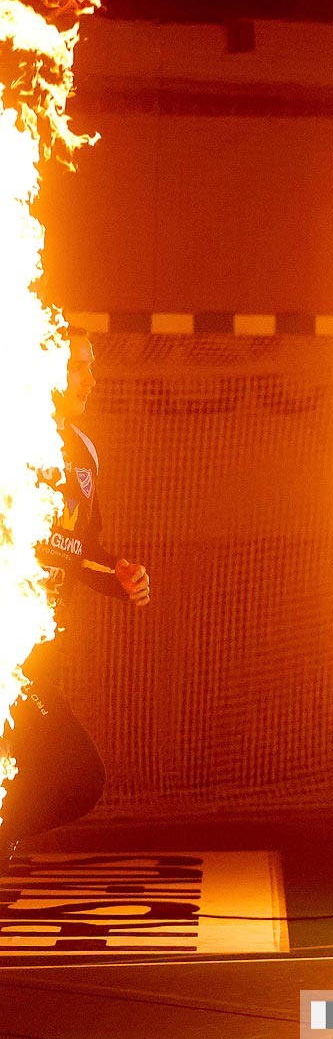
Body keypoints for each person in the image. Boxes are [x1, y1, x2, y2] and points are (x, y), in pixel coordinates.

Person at [1, 327, 150, 868]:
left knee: (67, 779)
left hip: (39, 658)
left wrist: (120, 574)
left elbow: (82, 550)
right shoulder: (9, 438)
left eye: (90, 365)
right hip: (8, 657)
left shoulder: (83, 453)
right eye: (76, 367)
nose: (90, 378)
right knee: (77, 776)